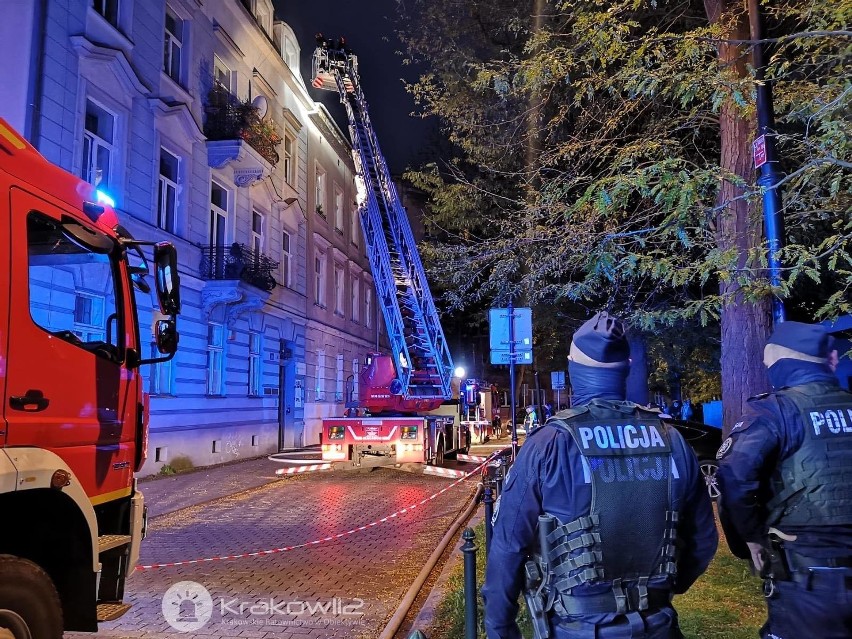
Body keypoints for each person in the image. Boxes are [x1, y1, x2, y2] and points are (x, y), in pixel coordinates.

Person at [482, 312, 717, 639]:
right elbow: (703, 541)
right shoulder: (671, 439)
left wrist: (501, 629)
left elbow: (507, 547)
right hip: (659, 624)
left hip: (578, 628)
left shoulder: (549, 445)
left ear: (573, 368)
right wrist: (663, 588)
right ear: (626, 367)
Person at [716, 321, 852, 639]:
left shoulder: (774, 413)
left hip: (810, 576)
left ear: (780, 363)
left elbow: (735, 480)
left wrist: (750, 540)